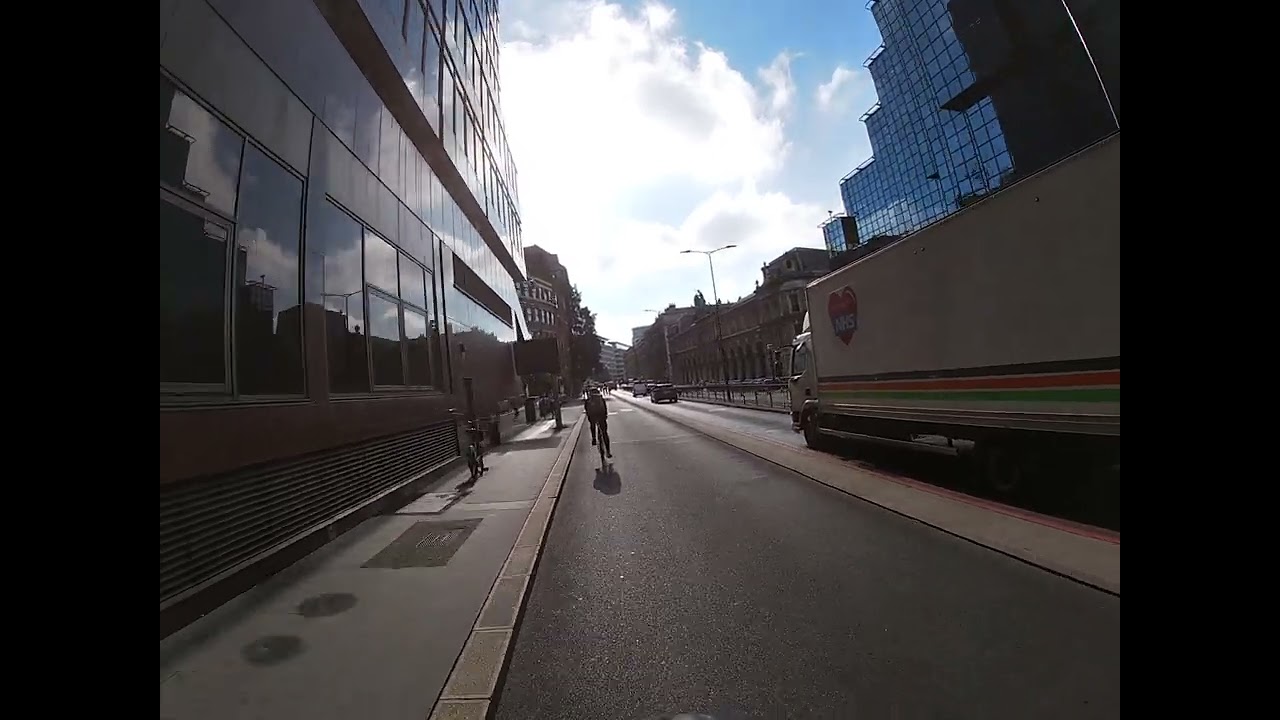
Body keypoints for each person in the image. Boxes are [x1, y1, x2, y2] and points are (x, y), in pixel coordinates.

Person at [585, 387, 611, 457]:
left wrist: (589, 418)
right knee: (604, 433)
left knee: (592, 425)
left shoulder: (588, 400)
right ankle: (608, 451)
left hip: (593, 417)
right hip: (601, 417)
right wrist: (605, 416)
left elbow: (587, 410)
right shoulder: (601, 399)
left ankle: (593, 438)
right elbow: (605, 409)